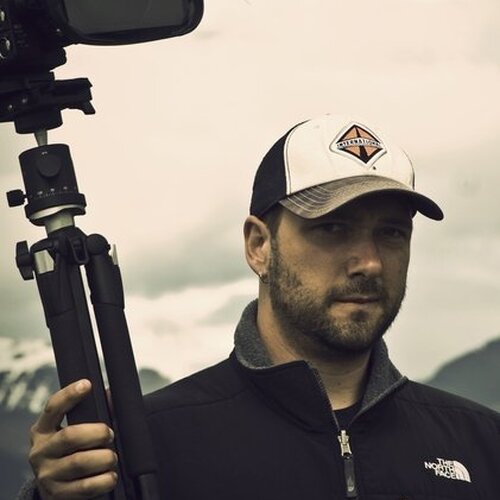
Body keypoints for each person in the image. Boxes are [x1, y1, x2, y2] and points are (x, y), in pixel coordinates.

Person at [18, 114, 500, 500]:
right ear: (259, 246)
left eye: (391, 232)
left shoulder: (481, 444)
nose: (370, 262)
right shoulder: (145, 447)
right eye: (333, 228)